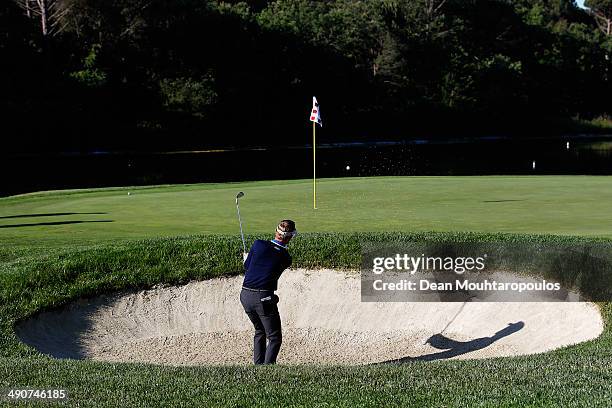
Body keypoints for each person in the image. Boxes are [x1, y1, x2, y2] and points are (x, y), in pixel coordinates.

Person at [239, 220, 297, 364]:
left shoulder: (258, 244)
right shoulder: (286, 257)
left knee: (260, 331)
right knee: (274, 337)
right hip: (263, 297)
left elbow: (247, 267)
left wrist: (247, 258)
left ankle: (259, 367)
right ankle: (267, 369)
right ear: (289, 237)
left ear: (276, 232)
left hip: (245, 295)